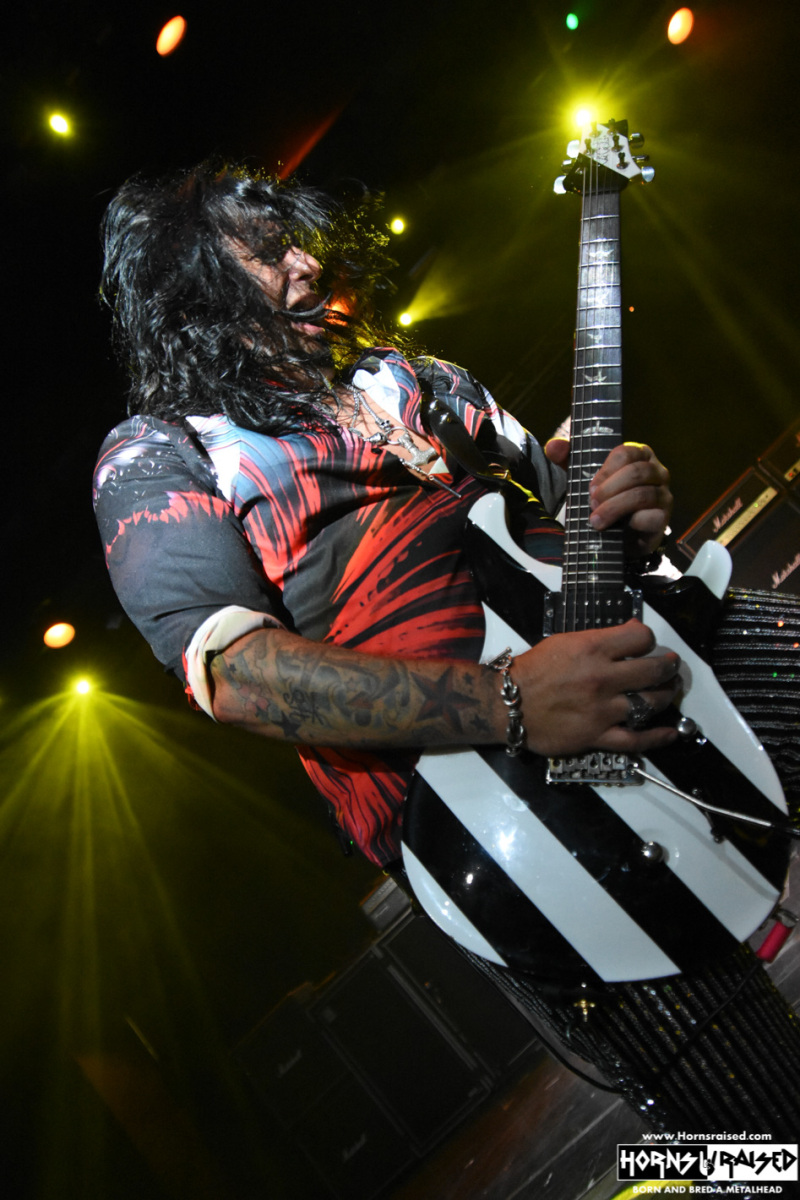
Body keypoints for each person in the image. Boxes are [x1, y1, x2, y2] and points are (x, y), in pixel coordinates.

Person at [94, 162, 800, 1138]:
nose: (305, 264)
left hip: (635, 664)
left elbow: (554, 509)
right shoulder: (158, 455)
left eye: (296, 240)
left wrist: (615, 497)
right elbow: (232, 673)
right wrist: (510, 703)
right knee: (752, 1128)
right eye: (263, 254)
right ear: (191, 294)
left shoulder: (402, 376)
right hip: (493, 811)